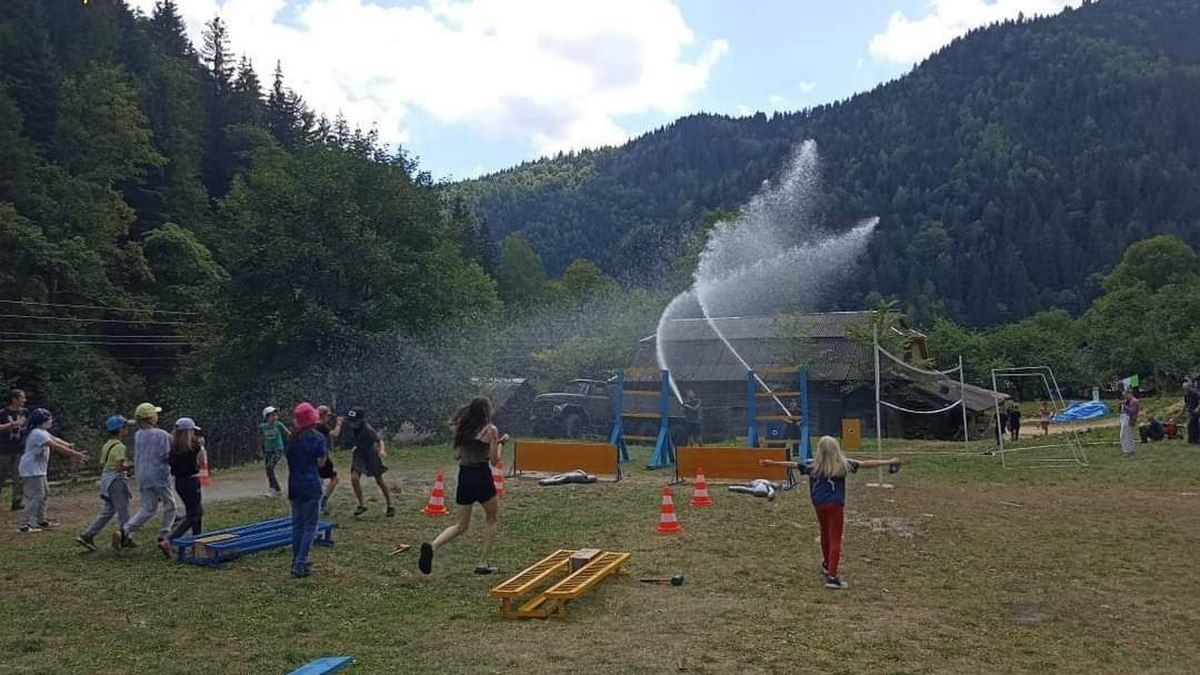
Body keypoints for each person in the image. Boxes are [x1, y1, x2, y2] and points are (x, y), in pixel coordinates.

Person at [760, 436, 900, 590]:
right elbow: (866, 464)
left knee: (825, 534)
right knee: (835, 539)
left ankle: (827, 564)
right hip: (835, 505)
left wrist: (772, 464)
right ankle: (832, 577)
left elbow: (793, 464)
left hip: (819, 504)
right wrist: (888, 461)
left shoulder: (813, 466)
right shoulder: (843, 465)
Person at [419, 397, 507, 576]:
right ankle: (483, 563)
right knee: (491, 519)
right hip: (481, 476)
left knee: (461, 525)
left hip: (465, 475)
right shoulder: (491, 430)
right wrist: (500, 444)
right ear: (486, 411)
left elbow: (457, 456)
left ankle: (433, 545)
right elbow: (494, 460)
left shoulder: (463, 429)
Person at [120, 402, 178, 556]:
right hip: (159, 475)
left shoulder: (138, 434)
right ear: (152, 418)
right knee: (170, 505)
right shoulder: (161, 434)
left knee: (148, 507)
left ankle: (126, 530)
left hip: (142, 475)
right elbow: (169, 451)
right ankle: (164, 535)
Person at [18, 408, 87, 533]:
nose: (51, 421)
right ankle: (24, 524)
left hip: (38, 469)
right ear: (43, 420)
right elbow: (55, 446)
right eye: (49, 418)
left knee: (44, 493)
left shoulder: (42, 431)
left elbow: (56, 440)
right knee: (36, 496)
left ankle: (41, 520)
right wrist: (74, 454)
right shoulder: (37, 433)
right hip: (32, 470)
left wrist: (69, 445)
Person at [75, 415, 134, 551]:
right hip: (116, 480)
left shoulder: (108, 444)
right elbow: (119, 467)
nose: (128, 430)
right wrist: (131, 465)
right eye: (126, 427)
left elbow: (106, 463)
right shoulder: (120, 446)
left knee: (108, 511)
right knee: (123, 510)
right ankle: (126, 537)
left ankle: (88, 535)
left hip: (106, 479)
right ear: (121, 430)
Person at [285, 402, 328, 578]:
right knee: (310, 526)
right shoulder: (318, 438)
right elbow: (321, 462)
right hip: (311, 485)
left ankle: (297, 560)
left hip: (294, 485)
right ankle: (300, 563)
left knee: (298, 526)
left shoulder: (291, 439)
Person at [344, 408, 393, 517]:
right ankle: (362, 504)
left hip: (370, 454)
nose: (351, 423)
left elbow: (379, 440)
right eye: (350, 420)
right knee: (354, 478)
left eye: (354, 421)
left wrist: (382, 450)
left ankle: (390, 505)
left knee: (379, 480)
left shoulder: (367, 429)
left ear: (361, 420)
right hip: (359, 453)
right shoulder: (353, 427)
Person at [165, 418, 205, 548]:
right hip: (191, 482)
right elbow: (201, 462)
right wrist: (202, 446)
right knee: (193, 515)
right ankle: (169, 541)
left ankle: (196, 540)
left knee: (197, 511)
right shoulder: (194, 446)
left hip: (180, 483)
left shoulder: (173, 448)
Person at [1, 388, 28, 511]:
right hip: (4, 449)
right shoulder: (3, 413)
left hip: (19, 448)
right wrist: (14, 424)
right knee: (1, 476)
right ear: (14, 399)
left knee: (19, 477)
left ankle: (17, 502)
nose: (24, 400)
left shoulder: (24, 412)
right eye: (22, 397)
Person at [315, 406, 341, 515]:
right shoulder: (322, 426)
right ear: (324, 415)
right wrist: (339, 423)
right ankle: (323, 502)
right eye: (328, 416)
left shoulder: (312, 424)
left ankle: (315, 502)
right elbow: (335, 434)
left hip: (311, 455)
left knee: (317, 478)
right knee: (334, 478)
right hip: (322, 455)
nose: (329, 418)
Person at [258, 406, 289, 495]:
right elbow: (260, 438)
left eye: (275, 415)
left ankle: (276, 488)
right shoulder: (262, 427)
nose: (275, 417)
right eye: (272, 415)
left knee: (270, 466)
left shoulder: (278, 424)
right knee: (268, 469)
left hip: (278, 450)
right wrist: (259, 449)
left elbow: (287, 433)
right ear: (267, 417)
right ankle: (272, 487)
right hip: (268, 450)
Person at [1119, 389, 1139, 457]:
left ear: (1129, 394)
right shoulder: (1128, 401)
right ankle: (1131, 449)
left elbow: (1132, 411)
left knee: (1125, 435)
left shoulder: (1134, 401)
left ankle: (1127, 451)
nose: (1124, 397)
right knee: (1127, 435)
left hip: (1128, 419)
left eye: (1125, 395)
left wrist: (1125, 406)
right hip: (1124, 418)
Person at [1184, 380, 1200, 445]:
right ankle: (1192, 440)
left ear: (1189, 387)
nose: (1184, 389)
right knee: (1191, 426)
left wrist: (1197, 408)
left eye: (1185, 388)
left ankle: (1194, 440)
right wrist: (1182, 413)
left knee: (1192, 425)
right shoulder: (1186, 395)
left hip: (1196, 412)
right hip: (1190, 412)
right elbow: (1186, 404)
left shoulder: (1195, 393)